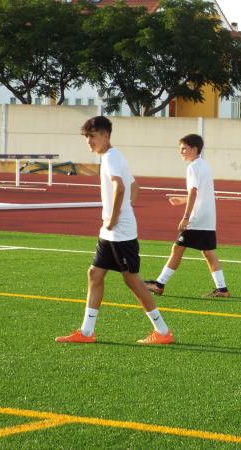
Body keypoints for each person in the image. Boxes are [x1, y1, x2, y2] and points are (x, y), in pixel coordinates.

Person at [56, 116, 174, 345]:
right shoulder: (114, 156)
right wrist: (116, 216)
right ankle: (87, 332)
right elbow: (134, 187)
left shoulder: (110, 158)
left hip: (119, 231)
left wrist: (114, 217)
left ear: (106, 136)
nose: (89, 141)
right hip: (110, 232)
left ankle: (162, 332)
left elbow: (121, 187)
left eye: (92, 136)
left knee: (132, 281)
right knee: (95, 274)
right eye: (87, 137)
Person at [145, 134, 230, 298]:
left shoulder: (192, 167)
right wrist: (182, 200)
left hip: (197, 219)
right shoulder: (204, 165)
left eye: (184, 148)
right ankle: (222, 289)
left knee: (178, 248)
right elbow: (200, 194)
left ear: (194, 149)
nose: (181, 152)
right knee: (208, 252)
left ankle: (159, 284)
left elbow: (194, 192)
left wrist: (185, 217)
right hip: (208, 217)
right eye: (180, 149)